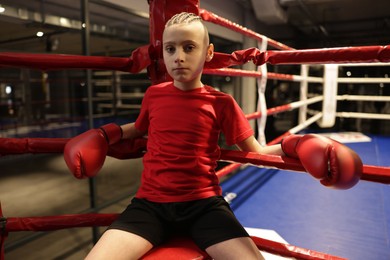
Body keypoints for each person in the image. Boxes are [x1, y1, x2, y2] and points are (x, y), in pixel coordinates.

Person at [64, 12, 362, 260]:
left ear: (207, 53)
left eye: (189, 47)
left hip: (203, 205)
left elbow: (255, 150)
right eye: (170, 49)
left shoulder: (221, 103)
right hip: (149, 205)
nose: (178, 57)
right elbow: (138, 129)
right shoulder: (154, 95)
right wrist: (102, 135)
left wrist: (300, 144)